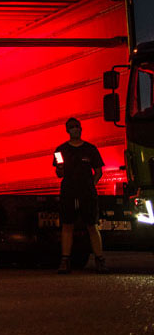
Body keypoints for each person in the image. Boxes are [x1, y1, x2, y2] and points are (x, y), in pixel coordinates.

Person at [54, 117, 108, 274]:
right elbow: (59, 173)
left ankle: (100, 260)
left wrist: (91, 185)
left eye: (77, 126)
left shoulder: (90, 149)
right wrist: (60, 168)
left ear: (81, 129)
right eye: (72, 127)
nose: (75, 129)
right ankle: (65, 261)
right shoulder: (60, 150)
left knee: (92, 225)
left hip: (87, 193)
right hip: (68, 192)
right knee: (67, 225)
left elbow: (98, 171)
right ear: (67, 130)